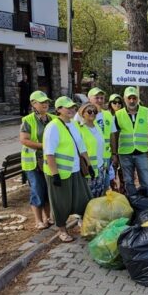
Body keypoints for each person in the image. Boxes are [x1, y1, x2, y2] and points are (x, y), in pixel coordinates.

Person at [42, 96, 93, 242]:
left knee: (83, 200)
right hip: (60, 173)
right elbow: (49, 153)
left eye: (72, 107)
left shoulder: (74, 124)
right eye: (67, 107)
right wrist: (55, 174)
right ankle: (62, 230)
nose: (71, 110)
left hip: (76, 170)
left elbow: (82, 148)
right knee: (60, 204)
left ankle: (84, 224)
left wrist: (89, 165)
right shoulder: (52, 127)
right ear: (58, 110)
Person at [111, 86, 148, 196]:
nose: (132, 101)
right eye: (129, 98)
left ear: (137, 99)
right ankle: (133, 202)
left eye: (134, 98)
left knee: (145, 181)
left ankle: (146, 203)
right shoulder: (118, 114)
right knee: (129, 181)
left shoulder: (146, 112)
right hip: (125, 153)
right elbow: (114, 135)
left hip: (141, 153)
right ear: (125, 99)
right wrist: (114, 153)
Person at [19, 90, 53, 230]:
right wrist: (44, 146)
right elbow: (24, 140)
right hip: (33, 162)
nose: (45, 104)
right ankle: (38, 220)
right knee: (37, 190)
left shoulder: (53, 118)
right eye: (41, 102)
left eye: (46, 102)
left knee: (48, 190)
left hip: (48, 161)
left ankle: (48, 217)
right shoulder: (27, 120)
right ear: (33, 104)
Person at [75, 88, 117, 187]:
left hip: (105, 156)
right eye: (96, 98)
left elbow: (112, 135)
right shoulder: (80, 115)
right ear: (89, 99)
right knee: (89, 185)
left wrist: (114, 153)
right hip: (88, 158)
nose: (100, 100)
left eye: (102, 98)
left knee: (104, 184)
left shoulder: (107, 114)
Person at [75, 103, 107, 197]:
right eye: (89, 111)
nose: (92, 113)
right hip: (88, 169)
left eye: (95, 111)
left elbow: (102, 146)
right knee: (89, 196)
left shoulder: (97, 127)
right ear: (82, 114)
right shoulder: (79, 129)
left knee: (100, 194)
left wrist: (104, 164)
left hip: (100, 168)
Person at [107, 93, 124, 192]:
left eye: (119, 102)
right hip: (111, 151)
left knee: (123, 174)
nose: (117, 104)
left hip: (123, 148)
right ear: (110, 104)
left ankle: (123, 193)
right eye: (114, 102)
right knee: (111, 175)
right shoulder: (107, 116)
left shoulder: (124, 115)